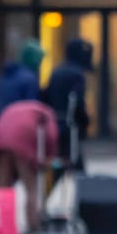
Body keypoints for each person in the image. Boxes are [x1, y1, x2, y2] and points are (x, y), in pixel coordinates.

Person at [0, 98, 59, 234]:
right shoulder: (47, 113)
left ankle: (1, 227)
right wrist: (49, 158)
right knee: (31, 189)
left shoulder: (14, 108)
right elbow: (51, 136)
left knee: (4, 188)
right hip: (23, 144)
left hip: (1, 142)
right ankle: (33, 226)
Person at [40, 37, 94, 169]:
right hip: (70, 127)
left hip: (54, 124)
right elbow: (77, 101)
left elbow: (46, 96)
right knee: (75, 165)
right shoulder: (77, 74)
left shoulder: (57, 72)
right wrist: (84, 121)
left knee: (58, 164)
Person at [0, 40, 43, 121]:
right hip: (20, 126)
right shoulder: (29, 79)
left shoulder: (6, 74)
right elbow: (32, 110)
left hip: (2, 124)